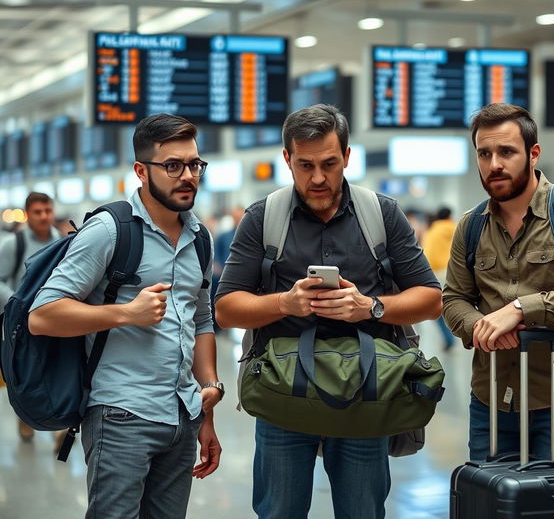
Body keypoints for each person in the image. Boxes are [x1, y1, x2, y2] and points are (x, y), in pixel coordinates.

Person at [215, 104, 442, 519]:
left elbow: (430, 298)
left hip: (366, 392)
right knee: (280, 511)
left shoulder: (382, 215)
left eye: (329, 164)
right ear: (287, 159)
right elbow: (227, 309)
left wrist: (369, 307)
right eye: (305, 165)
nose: (317, 178)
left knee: (362, 511)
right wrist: (284, 302)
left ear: (348, 157)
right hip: (284, 393)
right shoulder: (263, 218)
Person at [28, 114, 222, 519]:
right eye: (173, 165)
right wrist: (126, 313)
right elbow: (43, 314)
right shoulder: (110, 229)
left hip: (183, 415)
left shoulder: (200, 238)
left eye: (194, 164)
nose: (188, 176)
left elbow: (202, 320)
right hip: (120, 415)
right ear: (141, 171)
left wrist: (209, 397)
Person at [443, 103, 554, 470]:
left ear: (532, 153)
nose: (494, 163)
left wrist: (521, 309)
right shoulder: (471, 226)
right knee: (488, 499)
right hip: (492, 394)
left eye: (507, 151)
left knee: (552, 502)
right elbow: (454, 299)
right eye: (484, 153)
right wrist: (481, 327)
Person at [0, 191, 60, 442]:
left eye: (47, 211)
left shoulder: (61, 240)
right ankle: (25, 416)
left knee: (59, 369)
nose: (44, 216)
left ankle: (61, 426)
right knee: (27, 373)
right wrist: (17, 303)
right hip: (22, 324)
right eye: (38, 212)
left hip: (56, 318)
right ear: (28, 214)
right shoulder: (14, 244)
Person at [421, 206, 457, 351]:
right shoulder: (457, 228)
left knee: (436, 307)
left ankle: (449, 338)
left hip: (436, 273)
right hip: (454, 272)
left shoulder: (432, 232)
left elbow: (427, 254)